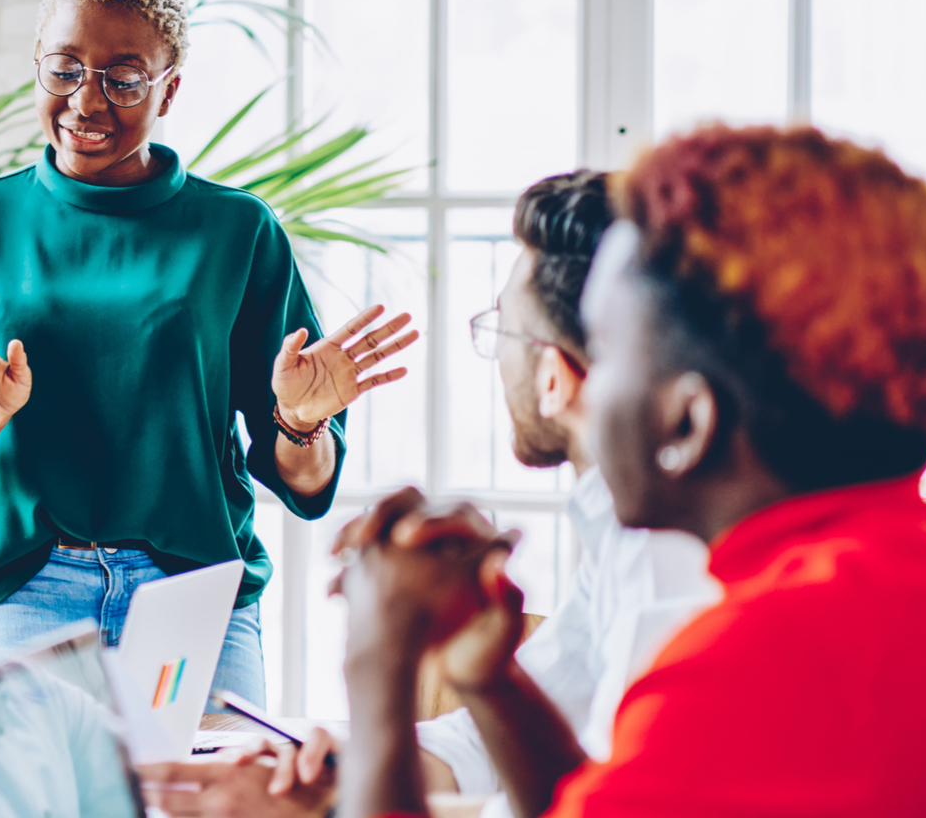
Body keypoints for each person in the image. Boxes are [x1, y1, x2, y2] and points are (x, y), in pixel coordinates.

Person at [335, 125, 926, 818]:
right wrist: (491, 680)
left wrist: (379, 670)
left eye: (609, 350)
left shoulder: (767, 659)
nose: (581, 385)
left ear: (687, 422)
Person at [0, 0, 418, 702]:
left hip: (191, 596)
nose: (85, 102)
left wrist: (299, 422)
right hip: (22, 594)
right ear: (39, 62)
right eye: (64, 69)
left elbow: (305, 482)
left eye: (123, 80)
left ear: (170, 89)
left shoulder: (237, 233)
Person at [141, 172, 720, 818]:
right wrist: (336, 763)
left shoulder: (676, 586)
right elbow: (483, 747)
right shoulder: (628, 540)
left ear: (555, 378)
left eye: (502, 330)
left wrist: (379, 663)